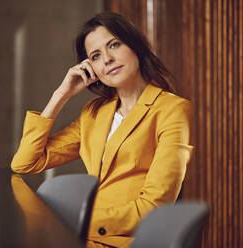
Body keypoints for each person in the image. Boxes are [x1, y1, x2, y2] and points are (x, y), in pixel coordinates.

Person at [11, 12, 193, 248]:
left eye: (114, 45)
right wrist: (60, 96)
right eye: (95, 56)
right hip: (82, 238)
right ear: (91, 68)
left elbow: (154, 207)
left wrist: (76, 222)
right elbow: (26, 163)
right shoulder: (94, 113)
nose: (107, 59)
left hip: (129, 241)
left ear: (135, 46)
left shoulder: (174, 110)